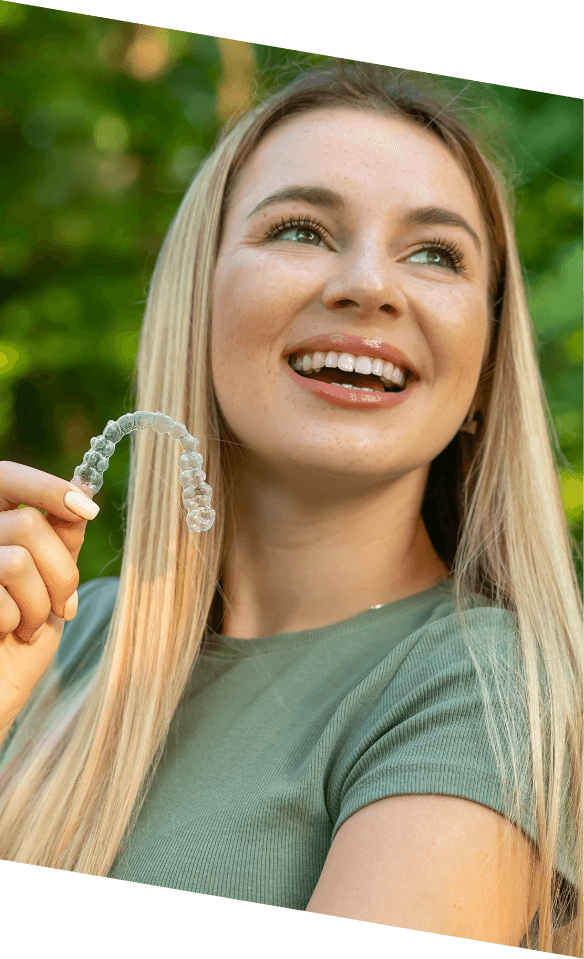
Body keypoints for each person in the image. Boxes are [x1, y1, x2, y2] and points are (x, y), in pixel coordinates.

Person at [0, 59, 581, 954]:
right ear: (199, 301)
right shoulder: (53, 631)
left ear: (484, 371)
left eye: (435, 253)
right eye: (303, 229)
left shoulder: (487, 689)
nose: (370, 285)